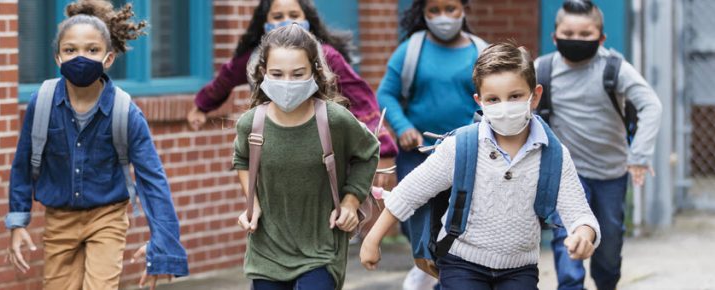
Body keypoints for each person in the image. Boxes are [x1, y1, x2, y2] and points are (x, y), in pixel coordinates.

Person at [361, 43, 600, 290]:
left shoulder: (554, 154)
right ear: (480, 101)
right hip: (462, 262)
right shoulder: (461, 146)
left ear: (535, 96)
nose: (504, 106)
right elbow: (410, 191)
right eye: (493, 99)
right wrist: (373, 238)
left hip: (520, 270)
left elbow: (579, 211)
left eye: (515, 96)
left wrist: (583, 233)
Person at [4, 1, 188, 289]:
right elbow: (22, 165)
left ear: (109, 58)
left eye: (92, 50)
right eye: (70, 50)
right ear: (57, 57)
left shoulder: (125, 112)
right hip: (59, 219)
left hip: (107, 217)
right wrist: (17, 222)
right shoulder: (42, 103)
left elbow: (153, 179)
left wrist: (164, 246)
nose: (81, 57)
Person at [233, 24, 380, 290]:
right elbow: (242, 159)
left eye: (298, 74)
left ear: (314, 71)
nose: (287, 83)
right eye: (277, 74)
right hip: (266, 251)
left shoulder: (333, 120)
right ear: (263, 73)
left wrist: (349, 202)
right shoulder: (251, 124)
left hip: (321, 250)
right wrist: (252, 204)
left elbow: (368, 153)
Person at [537, 1, 663, 289]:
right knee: (567, 241)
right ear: (555, 37)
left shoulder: (614, 69)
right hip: (567, 175)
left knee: (607, 250)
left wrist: (639, 156)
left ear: (601, 38)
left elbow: (651, 105)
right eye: (568, 33)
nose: (576, 40)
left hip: (610, 174)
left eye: (585, 34)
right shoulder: (541, 71)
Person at [187, 0, 397, 159]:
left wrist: (382, 148)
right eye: (277, 16)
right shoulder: (255, 58)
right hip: (274, 145)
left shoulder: (326, 55)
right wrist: (202, 106)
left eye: (294, 14)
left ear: (307, 18)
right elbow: (224, 78)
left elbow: (361, 98)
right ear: (264, 23)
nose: (287, 21)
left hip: (323, 146)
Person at [375, 0, 490, 288]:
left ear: (464, 9)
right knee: (415, 220)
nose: (443, 18)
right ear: (423, 14)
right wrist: (403, 128)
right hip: (418, 154)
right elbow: (386, 94)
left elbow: (493, 96)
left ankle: (444, 278)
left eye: (450, 9)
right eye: (434, 11)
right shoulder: (411, 50)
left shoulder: (481, 52)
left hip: (466, 154)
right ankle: (425, 270)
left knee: (457, 220)